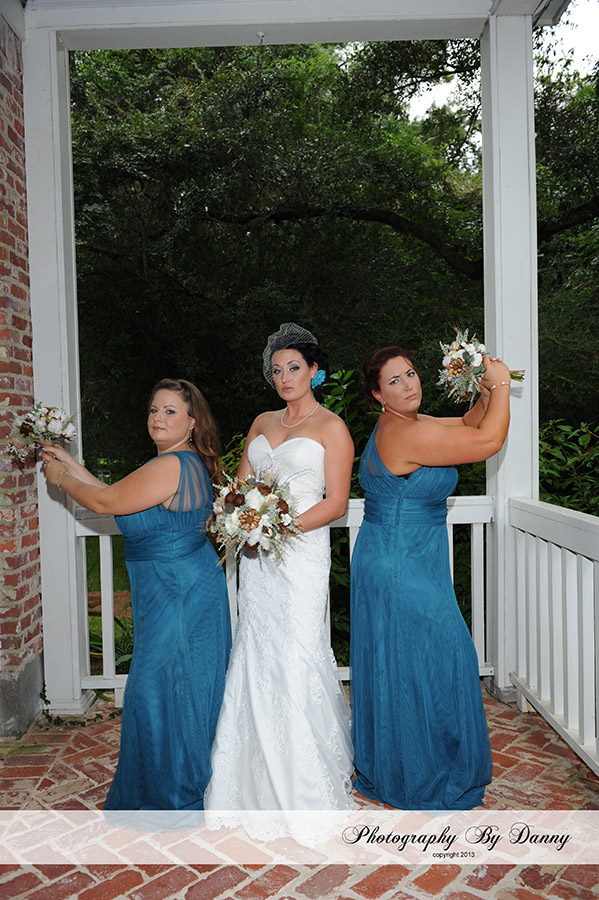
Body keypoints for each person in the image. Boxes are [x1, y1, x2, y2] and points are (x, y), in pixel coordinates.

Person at [40, 379, 232, 810]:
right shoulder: (174, 462)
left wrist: (61, 479)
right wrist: (70, 463)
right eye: (153, 410)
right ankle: (172, 783)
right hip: (173, 588)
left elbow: (105, 503)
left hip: (178, 591)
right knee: (170, 687)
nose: (158, 418)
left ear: (192, 421)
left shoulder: (172, 465)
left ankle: (175, 793)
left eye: (170, 411)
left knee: (157, 689)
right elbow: (114, 495)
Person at [204, 322, 357, 844]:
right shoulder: (261, 422)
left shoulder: (333, 428)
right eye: (276, 370)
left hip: (299, 558)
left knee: (294, 655)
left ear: (314, 370)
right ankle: (246, 781)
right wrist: (239, 517)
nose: (284, 377)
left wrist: (278, 527)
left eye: (294, 367)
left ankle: (303, 783)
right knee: (255, 651)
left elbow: (336, 503)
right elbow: (240, 486)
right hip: (257, 560)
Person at [350, 346, 512, 810]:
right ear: (378, 395)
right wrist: (503, 385)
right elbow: (487, 442)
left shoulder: (412, 423)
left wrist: (483, 391)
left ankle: (407, 763)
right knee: (443, 655)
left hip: (407, 554)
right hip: (398, 562)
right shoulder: (404, 434)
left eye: (411, 373)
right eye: (394, 381)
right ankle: (420, 772)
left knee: (414, 662)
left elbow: (468, 424)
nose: (409, 384)